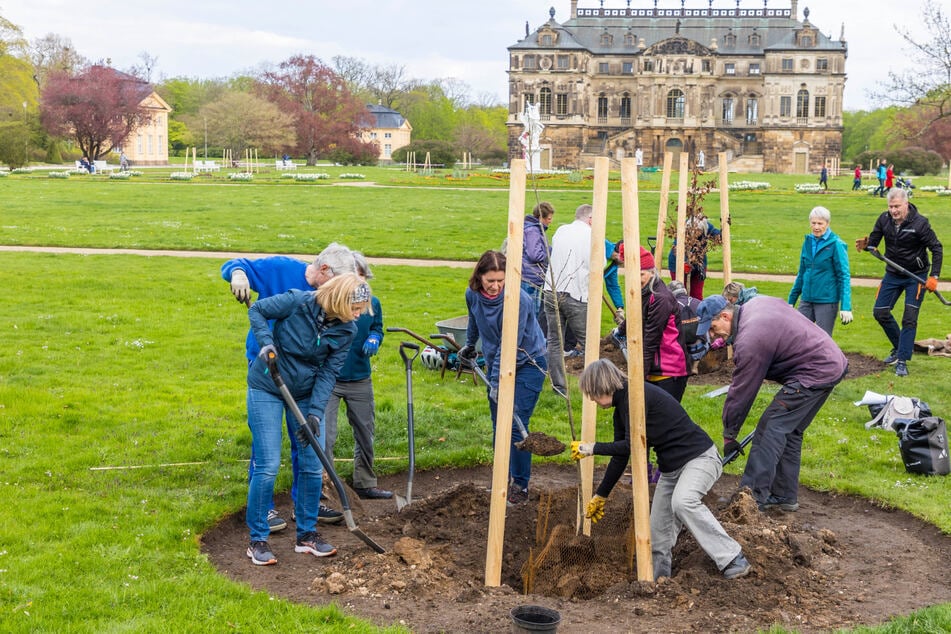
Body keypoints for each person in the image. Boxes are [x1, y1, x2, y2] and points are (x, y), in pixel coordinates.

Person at [571, 359, 752, 581]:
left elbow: (633, 444)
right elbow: (621, 455)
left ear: (602, 386)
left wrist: (591, 448)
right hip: (671, 471)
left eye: (592, 393)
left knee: (683, 502)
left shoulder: (637, 397)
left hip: (700, 458)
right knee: (657, 535)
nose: (591, 399)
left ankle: (733, 558)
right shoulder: (621, 409)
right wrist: (601, 495)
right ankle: (658, 581)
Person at [221, 243, 358, 531]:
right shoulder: (282, 269)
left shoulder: (332, 305)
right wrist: (237, 274)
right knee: (266, 445)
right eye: (337, 282)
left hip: (304, 372)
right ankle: (265, 509)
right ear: (323, 270)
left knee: (304, 441)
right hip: (267, 366)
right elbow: (237, 265)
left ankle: (305, 505)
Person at [245, 273, 370, 565]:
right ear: (339, 299)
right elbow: (257, 310)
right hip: (268, 385)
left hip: (305, 392)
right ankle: (258, 540)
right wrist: (266, 343)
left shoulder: (346, 330)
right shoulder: (297, 301)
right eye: (356, 307)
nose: (359, 314)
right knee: (268, 465)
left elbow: (329, 373)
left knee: (313, 465)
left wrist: (315, 414)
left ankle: (307, 535)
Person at [696, 294, 848, 512]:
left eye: (712, 327)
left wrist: (729, 434)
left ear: (725, 316)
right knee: (790, 430)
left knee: (769, 429)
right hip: (830, 362)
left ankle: (749, 500)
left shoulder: (750, 339)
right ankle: (784, 495)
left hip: (814, 372)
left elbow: (742, 391)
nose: (713, 335)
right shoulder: (755, 304)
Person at [458, 251, 547, 506]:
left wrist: (496, 382)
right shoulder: (472, 294)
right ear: (480, 277)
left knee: (516, 421)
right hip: (498, 362)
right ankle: (501, 481)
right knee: (499, 424)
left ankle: (520, 485)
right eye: (490, 281)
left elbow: (510, 345)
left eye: (500, 280)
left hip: (528, 361)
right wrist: (470, 345)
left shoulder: (517, 300)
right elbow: (475, 319)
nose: (496, 286)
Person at [323, 255, 392, 500]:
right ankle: (326, 487)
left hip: (360, 378)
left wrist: (375, 337)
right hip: (330, 380)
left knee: (365, 431)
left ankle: (365, 482)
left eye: (363, 275)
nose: (359, 280)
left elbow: (377, 327)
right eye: (355, 274)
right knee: (325, 436)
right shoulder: (332, 304)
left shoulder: (372, 303)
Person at [855, 188, 943, 377]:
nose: (894, 210)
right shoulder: (884, 219)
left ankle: (902, 361)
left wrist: (934, 277)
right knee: (880, 312)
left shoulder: (920, 224)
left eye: (897, 206)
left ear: (906, 203)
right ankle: (900, 348)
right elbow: (874, 241)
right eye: (891, 206)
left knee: (909, 318)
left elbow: (936, 248)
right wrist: (866, 244)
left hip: (916, 276)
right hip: (893, 273)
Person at [612, 247, 689, 402]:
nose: (637, 278)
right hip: (655, 368)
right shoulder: (645, 292)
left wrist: (638, 379)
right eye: (633, 274)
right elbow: (636, 315)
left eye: (641, 274)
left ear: (653, 272)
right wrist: (619, 331)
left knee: (663, 421)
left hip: (669, 370)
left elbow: (651, 340)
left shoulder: (661, 299)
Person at [544, 204, 593, 395]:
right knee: (587, 341)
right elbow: (598, 263)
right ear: (590, 219)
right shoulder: (590, 235)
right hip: (575, 293)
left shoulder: (561, 230)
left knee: (555, 341)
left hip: (551, 289)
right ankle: (595, 384)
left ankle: (559, 387)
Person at [788, 206, 852, 336]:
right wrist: (791, 301)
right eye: (813, 223)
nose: (816, 227)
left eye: (820, 223)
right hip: (806, 299)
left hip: (826, 301)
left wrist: (846, 307)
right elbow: (802, 273)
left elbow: (844, 276)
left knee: (822, 341)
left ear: (827, 224)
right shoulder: (807, 242)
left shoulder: (836, 244)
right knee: (797, 335)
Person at [668, 214, 721, 301]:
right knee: (680, 294)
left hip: (699, 263)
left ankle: (696, 311)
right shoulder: (683, 230)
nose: (695, 234)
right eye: (693, 231)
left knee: (697, 296)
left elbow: (719, 238)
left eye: (698, 231)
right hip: (678, 263)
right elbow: (677, 249)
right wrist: (685, 263)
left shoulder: (707, 227)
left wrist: (724, 226)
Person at [521, 201, 554, 337]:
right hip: (530, 277)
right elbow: (535, 254)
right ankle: (530, 342)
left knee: (531, 312)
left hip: (532, 276)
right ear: (541, 217)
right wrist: (549, 252)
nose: (550, 222)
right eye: (549, 219)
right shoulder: (533, 231)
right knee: (531, 313)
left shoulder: (534, 229)